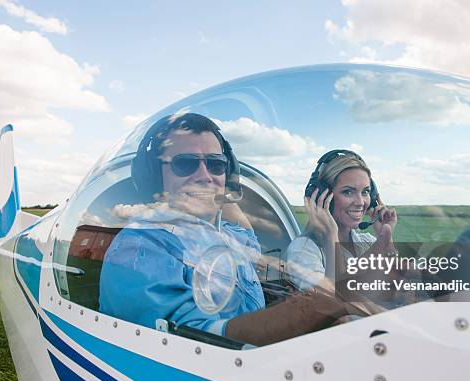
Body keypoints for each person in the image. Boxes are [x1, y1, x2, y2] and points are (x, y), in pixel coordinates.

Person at [99, 113, 362, 347]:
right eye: (185, 164)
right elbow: (206, 343)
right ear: (153, 174)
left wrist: (220, 194)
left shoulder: (228, 235)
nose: (204, 174)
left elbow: (247, 238)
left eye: (215, 165)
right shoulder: (141, 248)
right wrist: (324, 302)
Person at [286, 150, 398, 298]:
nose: (360, 202)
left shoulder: (366, 242)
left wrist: (386, 237)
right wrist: (331, 239)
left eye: (365, 192)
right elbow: (332, 304)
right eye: (348, 192)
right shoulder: (303, 250)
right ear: (322, 196)